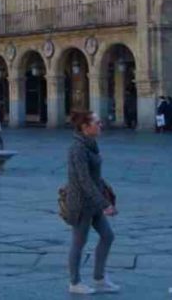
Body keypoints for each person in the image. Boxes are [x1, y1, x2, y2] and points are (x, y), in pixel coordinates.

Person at [65, 110, 118, 294]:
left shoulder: (91, 144)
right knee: (79, 242)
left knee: (108, 236)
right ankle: (75, 282)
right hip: (80, 203)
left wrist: (105, 192)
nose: (100, 125)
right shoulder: (77, 148)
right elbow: (83, 180)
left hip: (93, 201)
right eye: (97, 122)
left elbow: (94, 176)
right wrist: (105, 204)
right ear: (85, 127)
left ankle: (99, 278)